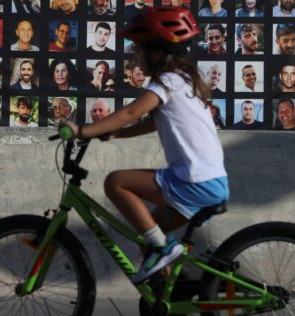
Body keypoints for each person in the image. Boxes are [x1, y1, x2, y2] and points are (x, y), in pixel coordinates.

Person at [62, 6, 228, 285]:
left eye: (139, 51)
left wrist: (84, 130)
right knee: (147, 239)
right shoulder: (185, 82)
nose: (136, 58)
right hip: (212, 182)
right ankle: (171, 307)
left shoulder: (166, 82)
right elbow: (154, 123)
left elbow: (130, 114)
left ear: (156, 52)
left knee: (115, 182)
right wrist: (116, 136)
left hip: (193, 181)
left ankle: (164, 249)